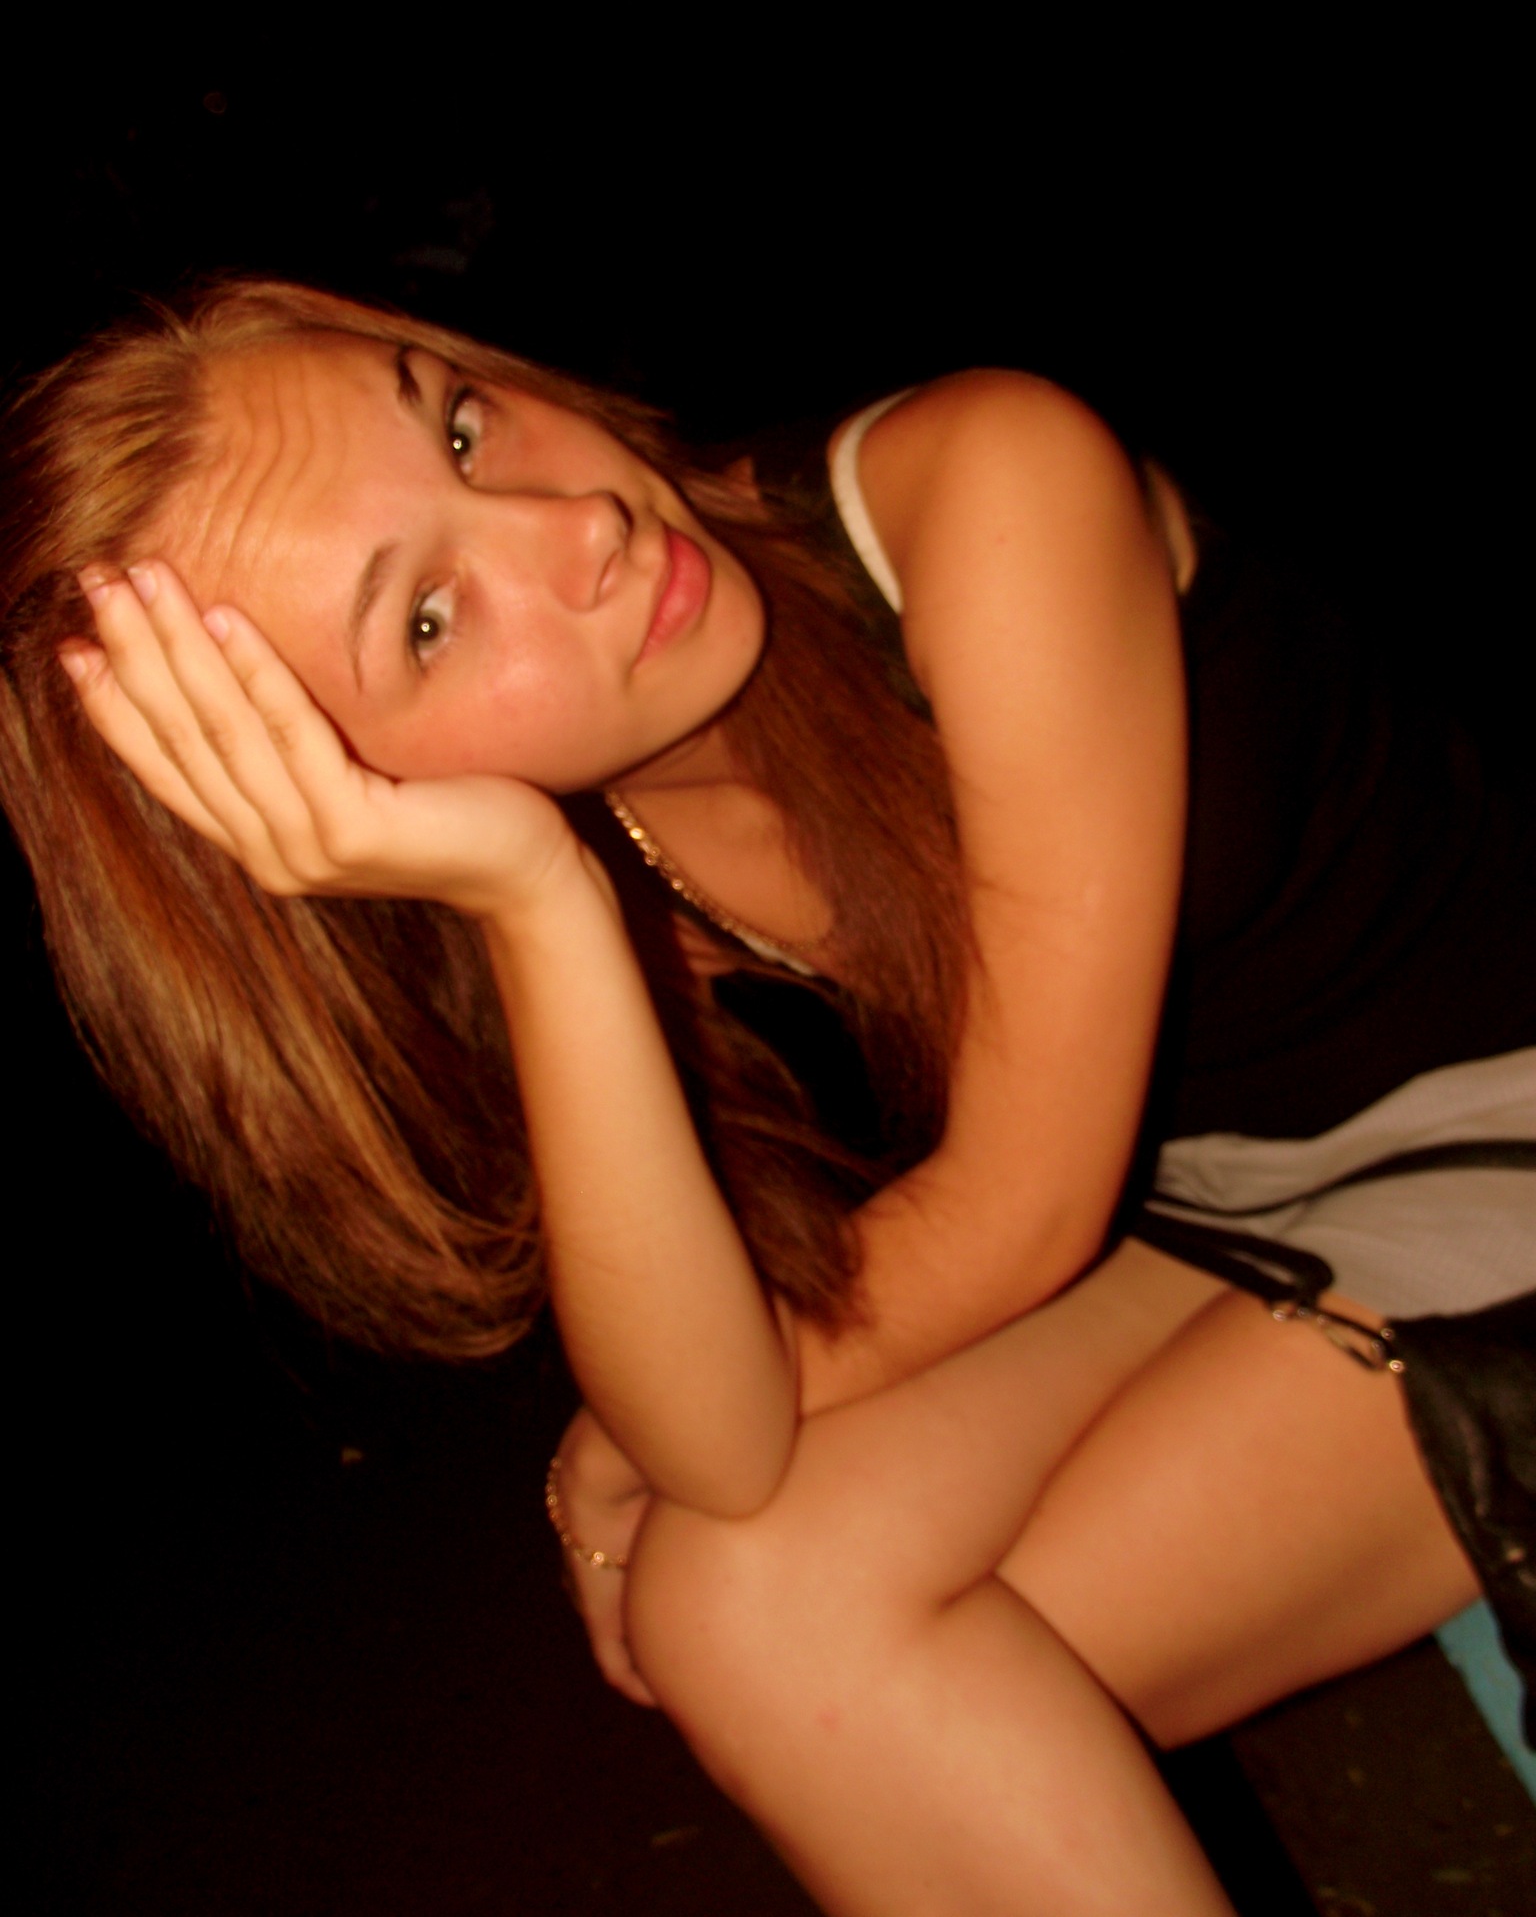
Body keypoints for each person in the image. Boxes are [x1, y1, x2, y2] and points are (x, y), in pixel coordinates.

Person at [1, 277, 1530, 1917]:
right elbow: (727, 1453)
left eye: (459, 424)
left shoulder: (986, 484)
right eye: (430, 622)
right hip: (1236, 1201)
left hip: (1499, 1112)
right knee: (740, 1614)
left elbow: (1015, 1216)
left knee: (866, 1704)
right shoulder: (586, 832)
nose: (576, 524)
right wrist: (536, 898)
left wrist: (629, 1435)